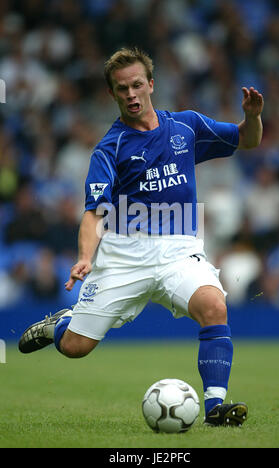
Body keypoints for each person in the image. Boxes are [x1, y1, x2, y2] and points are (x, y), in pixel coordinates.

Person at [19, 47, 264, 427]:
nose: (131, 94)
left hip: (179, 250)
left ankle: (216, 407)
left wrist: (252, 117)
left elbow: (248, 141)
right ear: (113, 95)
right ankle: (61, 325)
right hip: (122, 256)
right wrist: (85, 256)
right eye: (122, 89)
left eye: (136, 85)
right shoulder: (109, 148)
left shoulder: (187, 126)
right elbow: (93, 213)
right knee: (75, 348)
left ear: (151, 84)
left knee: (214, 307)